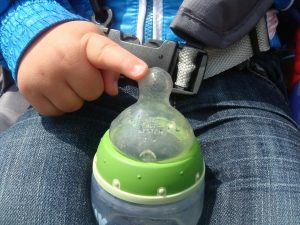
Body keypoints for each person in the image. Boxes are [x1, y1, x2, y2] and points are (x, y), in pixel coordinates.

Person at [0, 0, 300, 224]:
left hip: (236, 75)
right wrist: (32, 26)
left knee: (283, 210)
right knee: (17, 205)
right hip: (85, 73)